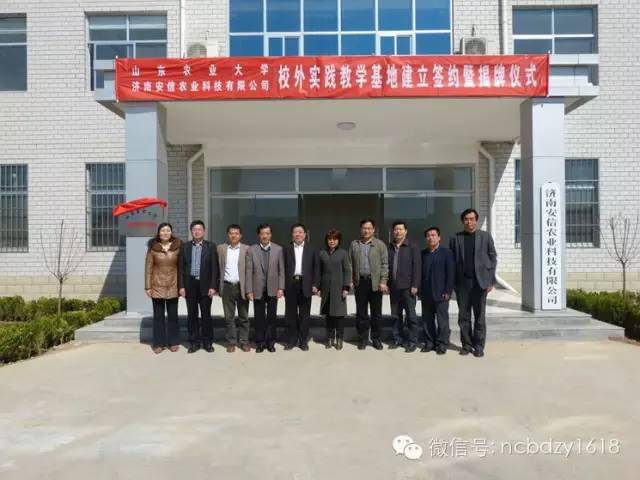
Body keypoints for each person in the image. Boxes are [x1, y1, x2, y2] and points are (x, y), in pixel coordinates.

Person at [449, 208, 497, 357]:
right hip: (462, 284)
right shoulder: (456, 238)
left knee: (479, 317)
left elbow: (493, 257)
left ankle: (479, 346)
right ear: (463, 221)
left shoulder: (485, 236)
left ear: (476, 220)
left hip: (480, 283)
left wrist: (490, 280)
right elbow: (451, 262)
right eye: (466, 219)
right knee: (463, 317)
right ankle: (467, 345)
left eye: (471, 219)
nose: (469, 222)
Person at [178, 220, 219, 353]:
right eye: (194, 230)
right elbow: (181, 268)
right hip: (190, 285)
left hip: (206, 286)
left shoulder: (211, 246)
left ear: (204, 231)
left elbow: (215, 268)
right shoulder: (185, 247)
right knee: (192, 315)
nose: (197, 232)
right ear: (191, 232)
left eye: (199, 229)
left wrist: (213, 286)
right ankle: (194, 343)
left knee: (206, 315)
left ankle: (207, 342)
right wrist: (181, 286)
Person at [349, 218, 389, 350]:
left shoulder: (380, 245)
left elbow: (385, 264)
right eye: (364, 228)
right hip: (360, 282)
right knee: (361, 313)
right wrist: (350, 280)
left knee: (376, 313)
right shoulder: (354, 244)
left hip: (375, 283)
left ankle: (376, 338)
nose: (366, 230)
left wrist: (383, 281)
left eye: (369, 228)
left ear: (373, 230)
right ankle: (363, 339)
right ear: (361, 229)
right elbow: (350, 264)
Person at [246, 223, 285, 353]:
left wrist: (281, 288)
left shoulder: (278, 249)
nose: (265, 236)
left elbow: (281, 270)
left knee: (272, 318)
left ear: (271, 234)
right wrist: (249, 290)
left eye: (267, 233)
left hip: (273, 288)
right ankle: (260, 343)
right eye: (262, 233)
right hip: (257, 289)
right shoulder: (251, 250)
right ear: (259, 235)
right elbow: (248, 271)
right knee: (259, 318)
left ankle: (271, 342)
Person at [145, 222, 182, 354]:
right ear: (159, 233)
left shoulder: (177, 247)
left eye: (167, 230)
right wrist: (148, 287)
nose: (165, 233)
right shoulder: (153, 248)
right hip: (157, 286)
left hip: (173, 285)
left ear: (171, 233)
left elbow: (181, 267)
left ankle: (174, 342)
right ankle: (158, 343)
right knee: (158, 317)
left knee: (173, 316)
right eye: (163, 230)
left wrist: (181, 286)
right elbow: (148, 268)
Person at [283, 223, 320, 351]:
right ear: (292, 234)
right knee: (291, 315)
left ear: (305, 234)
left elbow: (316, 268)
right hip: (290, 284)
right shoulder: (286, 248)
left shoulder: (312, 248)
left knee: (305, 315)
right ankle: (292, 340)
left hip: (306, 284)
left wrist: (315, 284)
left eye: (300, 232)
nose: (297, 234)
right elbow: (282, 268)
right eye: (295, 232)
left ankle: (303, 340)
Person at [387, 220, 421, 352]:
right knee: (395, 316)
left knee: (411, 316)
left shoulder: (412, 246)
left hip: (408, 288)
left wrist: (415, 285)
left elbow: (417, 267)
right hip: (394, 287)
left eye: (400, 229)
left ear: (405, 231)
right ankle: (397, 339)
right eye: (395, 229)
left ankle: (412, 341)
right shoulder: (389, 247)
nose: (398, 232)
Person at [420, 227, 455, 355]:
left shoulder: (447, 253)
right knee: (427, 319)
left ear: (439, 237)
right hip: (426, 293)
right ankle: (429, 342)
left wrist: (448, 290)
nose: (431, 238)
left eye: (433, 235)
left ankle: (442, 343)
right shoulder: (423, 254)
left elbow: (451, 273)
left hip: (442, 293)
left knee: (442, 320)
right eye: (428, 235)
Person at [217, 224, 250, 353]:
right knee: (229, 317)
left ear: (240, 235)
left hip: (242, 286)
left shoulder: (247, 249)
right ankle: (231, 342)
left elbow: (250, 270)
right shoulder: (221, 248)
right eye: (231, 233)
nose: (233, 235)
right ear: (228, 235)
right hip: (227, 286)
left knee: (244, 317)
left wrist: (249, 289)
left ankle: (244, 341)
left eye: (236, 233)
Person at [317, 230, 352, 350]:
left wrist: (346, 287)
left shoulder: (343, 253)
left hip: (339, 288)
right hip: (326, 289)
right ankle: (330, 338)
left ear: (338, 241)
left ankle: (340, 339)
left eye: (335, 239)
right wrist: (319, 287)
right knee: (328, 316)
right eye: (330, 239)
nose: (332, 241)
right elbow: (319, 272)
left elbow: (347, 271)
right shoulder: (322, 253)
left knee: (339, 316)